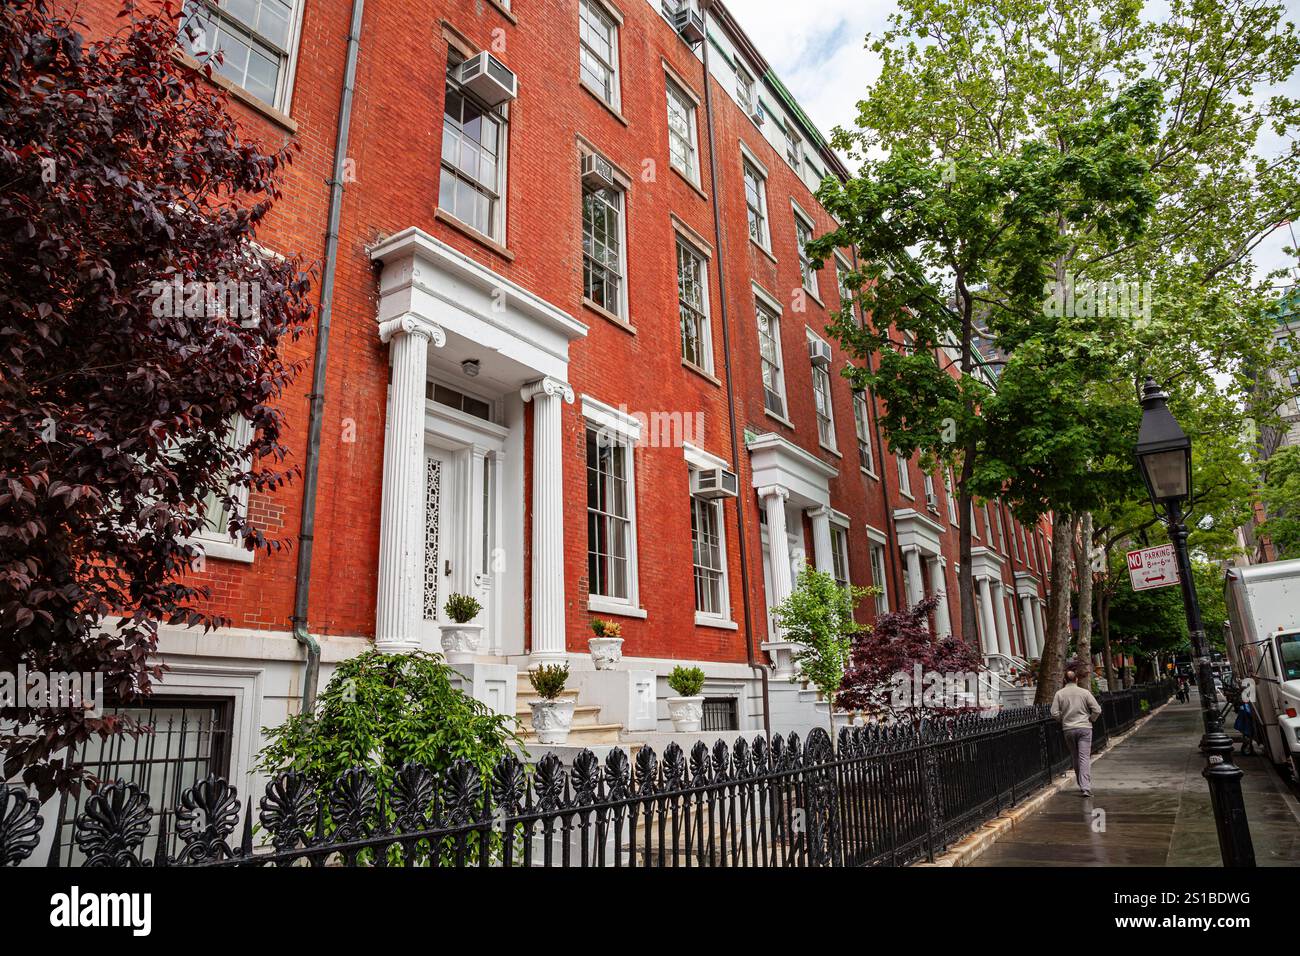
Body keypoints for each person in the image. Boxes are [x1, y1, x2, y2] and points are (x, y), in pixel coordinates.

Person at [1051, 668, 1102, 797]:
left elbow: (1054, 712)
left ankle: (1081, 783)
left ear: (1064, 680)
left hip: (1068, 728)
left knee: (1075, 756)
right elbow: (1097, 709)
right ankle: (1085, 787)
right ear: (1076, 679)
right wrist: (1091, 719)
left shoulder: (1059, 694)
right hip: (1084, 728)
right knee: (1084, 757)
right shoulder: (1084, 693)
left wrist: (1063, 719)